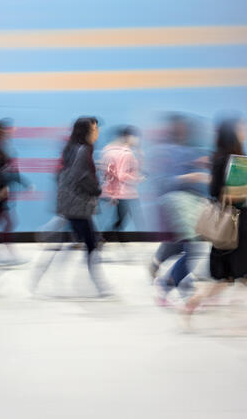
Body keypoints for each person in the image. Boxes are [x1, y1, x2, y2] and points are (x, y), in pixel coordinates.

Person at [31, 117, 111, 297]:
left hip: (70, 204)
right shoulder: (84, 150)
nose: (97, 132)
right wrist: (98, 190)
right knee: (90, 243)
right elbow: (82, 177)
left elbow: (69, 174)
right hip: (77, 206)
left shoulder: (73, 147)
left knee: (74, 243)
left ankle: (39, 276)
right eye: (95, 128)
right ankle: (99, 285)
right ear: (86, 132)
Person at [183, 118, 247, 317]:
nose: (243, 130)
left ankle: (190, 306)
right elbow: (221, 193)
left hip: (232, 226)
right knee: (229, 277)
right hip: (235, 226)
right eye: (240, 127)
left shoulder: (223, 158)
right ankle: (190, 305)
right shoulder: (233, 160)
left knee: (229, 278)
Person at [149, 114, 210, 304]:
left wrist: (195, 166)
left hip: (190, 204)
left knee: (184, 246)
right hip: (176, 204)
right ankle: (167, 283)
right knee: (192, 249)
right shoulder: (164, 152)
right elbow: (162, 182)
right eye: (180, 127)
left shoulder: (187, 150)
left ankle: (173, 282)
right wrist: (189, 176)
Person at [0, 119, 32, 263]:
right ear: (0, 132)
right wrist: (0, 192)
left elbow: (10, 172)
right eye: (6, 129)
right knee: (8, 223)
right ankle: (0, 255)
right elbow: (1, 173)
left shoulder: (0, 148)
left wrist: (24, 183)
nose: (10, 131)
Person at [100, 126, 145, 234]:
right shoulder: (126, 153)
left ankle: (105, 236)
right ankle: (105, 237)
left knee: (123, 219)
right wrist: (137, 179)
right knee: (134, 218)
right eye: (135, 137)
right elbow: (122, 174)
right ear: (128, 137)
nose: (137, 140)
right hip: (125, 192)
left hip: (116, 191)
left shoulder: (109, 150)